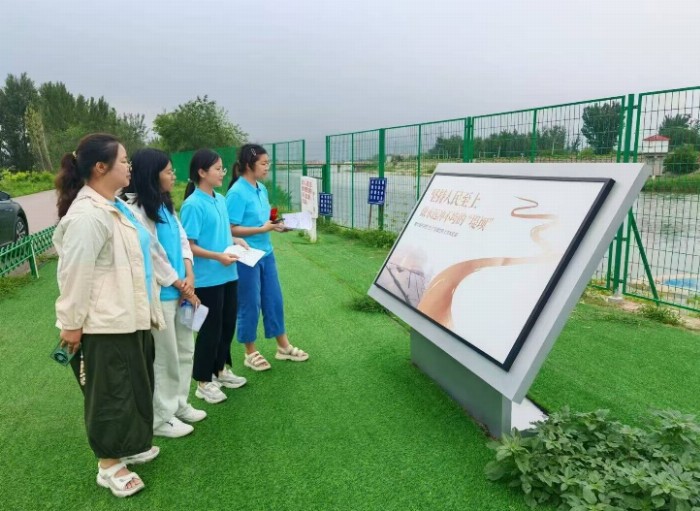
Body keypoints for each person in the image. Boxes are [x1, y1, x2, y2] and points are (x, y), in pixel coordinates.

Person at [53, 133, 190, 497]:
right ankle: (108, 465)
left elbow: (150, 253)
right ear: (101, 167)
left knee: (134, 387)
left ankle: (128, 447)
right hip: (104, 324)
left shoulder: (118, 206)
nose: (130, 166)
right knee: (109, 395)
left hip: (133, 317)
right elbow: (74, 275)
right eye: (124, 160)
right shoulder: (87, 216)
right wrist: (71, 326)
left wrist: (175, 280)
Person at [122, 148, 207, 438]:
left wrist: (190, 272)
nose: (173, 175)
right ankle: (161, 417)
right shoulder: (136, 211)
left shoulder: (166, 206)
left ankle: (180, 403)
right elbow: (153, 254)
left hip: (183, 293)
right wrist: (178, 283)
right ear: (151, 174)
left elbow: (183, 241)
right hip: (164, 297)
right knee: (165, 358)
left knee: (185, 350)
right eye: (168, 171)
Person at [225, 143, 309, 371]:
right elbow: (230, 229)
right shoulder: (236, 192)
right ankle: (249, 352)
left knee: (274, 299)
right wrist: (262, 229)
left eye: (267, 163)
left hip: (266, 254)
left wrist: (278, 226)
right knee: (250, 304)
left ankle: (283, 347)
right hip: (246, 256)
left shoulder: (261, 189)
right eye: (263, 163)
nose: (267, 167)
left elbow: (265, 223)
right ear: (248, 165)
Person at [180, 148, 247, 404]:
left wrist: (236, 239)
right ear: (201, 172)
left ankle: (220, 370)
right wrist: (218, 256)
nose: (223, 172)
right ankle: (203, 381)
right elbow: (190, 245)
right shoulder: (193, 204)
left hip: (229, 273)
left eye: (222, 168)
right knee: (209, 330)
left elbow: (221, 233)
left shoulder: (219, 199)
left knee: (227, 325)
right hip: (207, 278)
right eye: (218, 168)